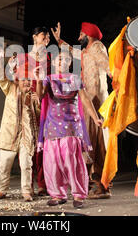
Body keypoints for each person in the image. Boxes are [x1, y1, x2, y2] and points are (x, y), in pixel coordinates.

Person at [35, 50, 104, 208]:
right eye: (59, 59)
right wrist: (38, 80)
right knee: (52, 162)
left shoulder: (75, 79)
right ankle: (58, 194)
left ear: (70, 63)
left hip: (71, 125)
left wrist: (95, 118)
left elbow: (85, 99)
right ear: (53, 63)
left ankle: (78, 194)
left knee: (71, 160)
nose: (61, 61)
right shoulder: (48, 79)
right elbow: (40, 96)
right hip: (52, 126)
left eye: (65, 59)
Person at [51, 21, 112, 198]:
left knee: (98, 144)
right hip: (88, 103)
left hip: (98, 104)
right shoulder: (86, 51)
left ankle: (102, 185)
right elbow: (73, 51)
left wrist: (117, 78)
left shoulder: (97, 47)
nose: (78, 38)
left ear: (88, 36)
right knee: (89, 144)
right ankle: (93, 183)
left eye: (80, 35)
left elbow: (107, 65)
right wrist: (59, 40)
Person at [0, 54, 41, 202]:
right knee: (4, 165)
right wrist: (2, 61)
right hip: (9, 134)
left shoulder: (33, 95)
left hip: (26, 135)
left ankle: (26, 191)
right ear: (18, 80)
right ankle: (2, 190)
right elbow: (1, 76)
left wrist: (37, 103)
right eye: (24, 79)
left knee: (26, 164)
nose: (27, 82)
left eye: (29, 80)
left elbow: (38, 117)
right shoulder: (10, 88)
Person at [16, 26, 50, 196]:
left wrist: (43, 95)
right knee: (28, 144)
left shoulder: (50, 59)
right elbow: (19, 83)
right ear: (35, 37)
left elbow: (52, 82)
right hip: (27, 105)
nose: (47, 38)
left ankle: (42, 183)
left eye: (48, 37)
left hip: (44, 104)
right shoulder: (23, 58)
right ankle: (27, 185)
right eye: (44, 35)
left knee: (42, 145)